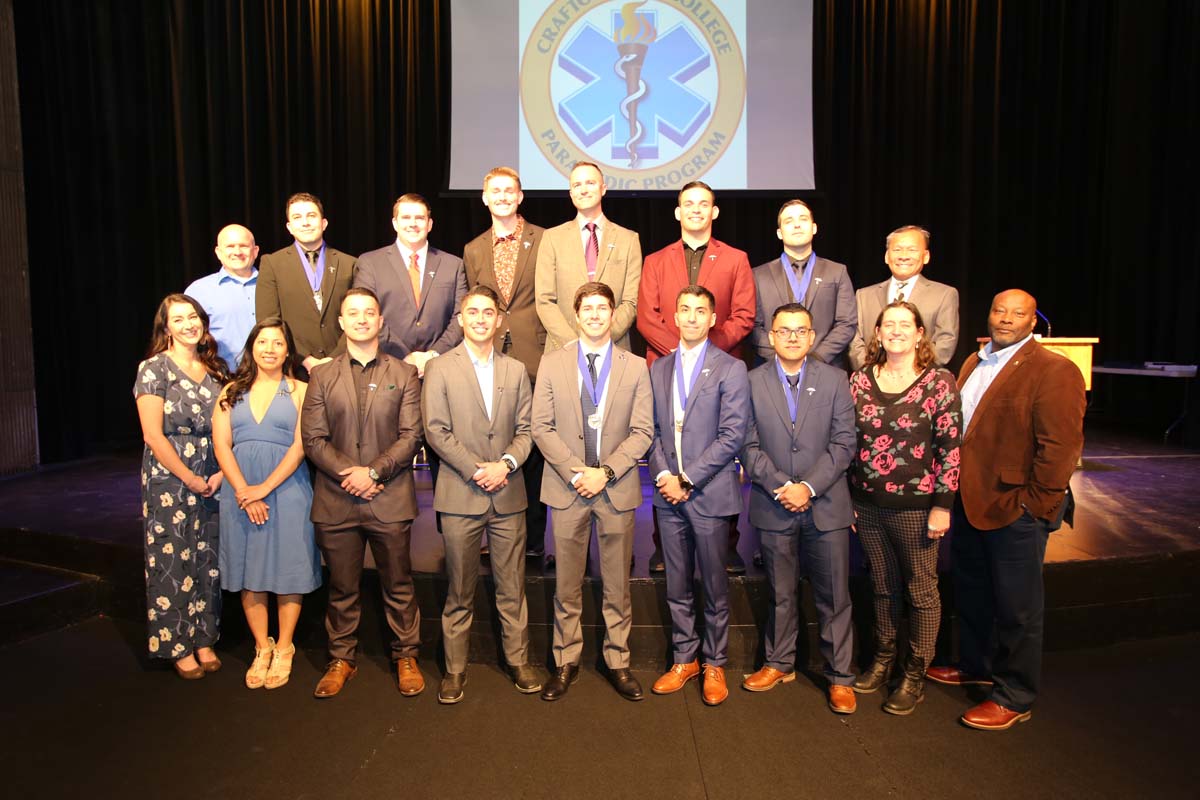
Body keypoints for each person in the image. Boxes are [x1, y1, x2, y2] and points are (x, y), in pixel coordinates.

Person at [927, 289, 1084, 731]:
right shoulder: (973, 362)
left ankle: (1014, 693)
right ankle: (975, 664)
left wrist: (1036, 505)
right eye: (999, 310)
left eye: (1018, 313)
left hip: (1016, 508)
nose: (1006, 319)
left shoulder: (1054, 370)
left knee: (1018, 606)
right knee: (974, 592)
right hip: (972, 502)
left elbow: (1061, 448)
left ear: (1034, 322)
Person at [531, 282, 653, 702]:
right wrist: (574, 472)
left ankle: (618, 661)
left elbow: (642, 432)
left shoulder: (635, 366)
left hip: (614, 489)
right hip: (568, 489)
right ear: (576, 314)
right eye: (588, 308)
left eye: (604, 308)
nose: (596, 315)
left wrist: (605, 471)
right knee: (566, 585)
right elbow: (540, 427)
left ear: (614, 313)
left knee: (617, 585)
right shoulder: (552, 363)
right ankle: (566, 661)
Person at [301, 288, 425, 699]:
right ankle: (341, 659)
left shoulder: (404, 373)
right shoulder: (321, 375)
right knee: (342, 588)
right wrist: (348, 475)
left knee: (399, 584)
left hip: (388, 497)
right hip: (337, 499)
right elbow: (314, 439)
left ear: (380, 320)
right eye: (352, 313)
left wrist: (373, 471)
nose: (361, 319)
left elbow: (411, 436)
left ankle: (406, 656)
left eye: (368, 312)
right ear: (341, 321)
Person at [422, 286, 543, 703]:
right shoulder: (439, 368)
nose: (479, 319)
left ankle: (519, 661)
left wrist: (505, 465)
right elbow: (436, 430)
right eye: (471, 312)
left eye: (487, 312)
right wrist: (477, 469)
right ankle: (454, 669)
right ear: (460, 319)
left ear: (498, 320)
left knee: (513, 586)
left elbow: (527, 431)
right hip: (460, 493)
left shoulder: (516, 370)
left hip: (508, 495)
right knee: (460, 588)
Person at [739, 302, 858, 713]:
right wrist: (781, 486)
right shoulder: (750, 382)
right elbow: (746, 445)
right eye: (783, 330)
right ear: (770, 337)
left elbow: (844, 444)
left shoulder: (836, 380)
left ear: (812, 337)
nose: (792, 337)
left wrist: (807, 486)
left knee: (834, 596)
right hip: (773, 505)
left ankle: (840, 676)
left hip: (825, 505)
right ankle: (779, 662)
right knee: (780, 593)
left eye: (800, 330)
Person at [847, 301, 962, 715]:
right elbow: (849, 445)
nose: (895, 331)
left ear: (919, 334)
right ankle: (883, 658)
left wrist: (943, 506)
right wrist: (850, 499)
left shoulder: (939, 382)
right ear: (877, 334)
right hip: (868, 504)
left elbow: (950, 448)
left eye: (904, 325)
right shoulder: (859, 381)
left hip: (918, 509)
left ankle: (914, 673)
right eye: (887, 324)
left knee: (921, 591)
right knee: (881, 585)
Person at [637, 181, 755, 573]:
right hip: (665, 369)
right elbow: (647, 317)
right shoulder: (655, 260)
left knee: (720, 453)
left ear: (714, 212)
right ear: (677, 211)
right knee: (668, 451)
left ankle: (728, 544)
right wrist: (682, 352)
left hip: (717, 370)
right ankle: (662, 546)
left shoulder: (736, 259)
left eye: (704, 204)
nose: (696, 210)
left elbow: (742, 316)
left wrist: (705, 352)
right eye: (688, 204)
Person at [647, 286, 749, 706]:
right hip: (667, 494)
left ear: (712, 319)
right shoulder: (658, 369)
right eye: (684, 309)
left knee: (713, 584)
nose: (690, 317)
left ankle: (714, 663)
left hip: (707, 494)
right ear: (674, 316)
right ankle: (684, 659)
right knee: (676, 584)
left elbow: (732, 435)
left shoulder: (731, 368)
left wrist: (687, 478)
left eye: (700, 311)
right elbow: (649, 430)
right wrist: (665, 474)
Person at [212, 318, 322, 690]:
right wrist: (245, 490)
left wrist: (264, 489)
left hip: (287, 489)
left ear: (288, 350)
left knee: (287, 567)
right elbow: (221, 445)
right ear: (251, 347)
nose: (270, 349)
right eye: (263, 342)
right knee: (249, 569)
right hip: (239, 493)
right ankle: (262, 647)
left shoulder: (300, 391)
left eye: (278, 343)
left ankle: (286, 647)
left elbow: (300, 446)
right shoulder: (230, 391)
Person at [133, 293, 230, 679]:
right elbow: (153, 436)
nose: (189, 324)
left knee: (207, 557)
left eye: (193, 317)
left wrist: (222, 472)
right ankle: (177, 645)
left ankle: (204, 636)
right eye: (179, 319)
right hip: (169, 476)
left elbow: (228, 430)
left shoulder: (216, 370)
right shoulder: (153, 370)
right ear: (166, 327)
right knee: (172, 557)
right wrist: (189, 477)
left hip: (213, 471)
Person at [463, 167, 549, 562]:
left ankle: (533, 541)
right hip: (489, 356)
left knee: (535, 447)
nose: (501, 196)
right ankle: (494, 531)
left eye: (509, 191)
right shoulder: (474, 248)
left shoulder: (544, 240)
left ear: (519, 197)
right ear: (484, 198)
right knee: (494, 440)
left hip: (537, 355)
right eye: (494, 190)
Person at [353, 193, 467, 377]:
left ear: (429, 224)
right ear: (395, 223)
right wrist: (404, 356)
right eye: (406, 217)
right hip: (386, 368)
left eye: (420, 218)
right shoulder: (370, 263)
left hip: (441, 369)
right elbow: (366, 314)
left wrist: (433, 355)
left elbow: (461, 316)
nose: (413, 223)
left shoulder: (453, 265)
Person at [535, 161, 642, 352]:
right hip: (563, 349)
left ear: (603, 189)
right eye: (577, 185)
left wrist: (601, 339)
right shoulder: (552, 238)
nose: (583, 190)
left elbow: (631, 302)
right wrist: (575, 344)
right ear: (571, 193)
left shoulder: (629, 239)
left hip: (614, 347)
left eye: (590, 183)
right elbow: (544, 301)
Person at [256, 192, 357, 372]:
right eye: (297, 217)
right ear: (289, 227)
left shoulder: (349, 264)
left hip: (343, 364)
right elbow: (268, 320)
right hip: (295, 367)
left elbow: (357, 316)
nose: (305, 223)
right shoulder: (272, 264)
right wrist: (305, 359)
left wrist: (334, 358)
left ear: (323, 223)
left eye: (311, 216)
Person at [749, 199, 856, 368]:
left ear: (814, 228)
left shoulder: (837, 272)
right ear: (779, 232)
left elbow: (846, 323)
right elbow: (753, 325)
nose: (797, 225)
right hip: (772, 369)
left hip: (825, 367)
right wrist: (781, 359)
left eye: (803, 219)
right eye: (789, 221)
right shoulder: (758, 275)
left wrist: (817, 358)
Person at [849, 226, 959, 370]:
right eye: (897, 250)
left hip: (921, 381)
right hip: (872, 380)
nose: (904, 256)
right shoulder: (864, 295)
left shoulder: (944, 294)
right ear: (886, 256)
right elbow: (854, 340)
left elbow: (945, 343)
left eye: (912, 250)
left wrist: (911, 374)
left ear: (926, 256)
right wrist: (871, 372)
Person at [186, 223, 260, 368]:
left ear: (255, 251)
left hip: (272, 381)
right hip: (220, 380)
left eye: (243, 246)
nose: (237, 252)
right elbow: (184, 340)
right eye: (230, 246)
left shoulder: (273, 285)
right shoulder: (198, 291)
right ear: (218, 252)